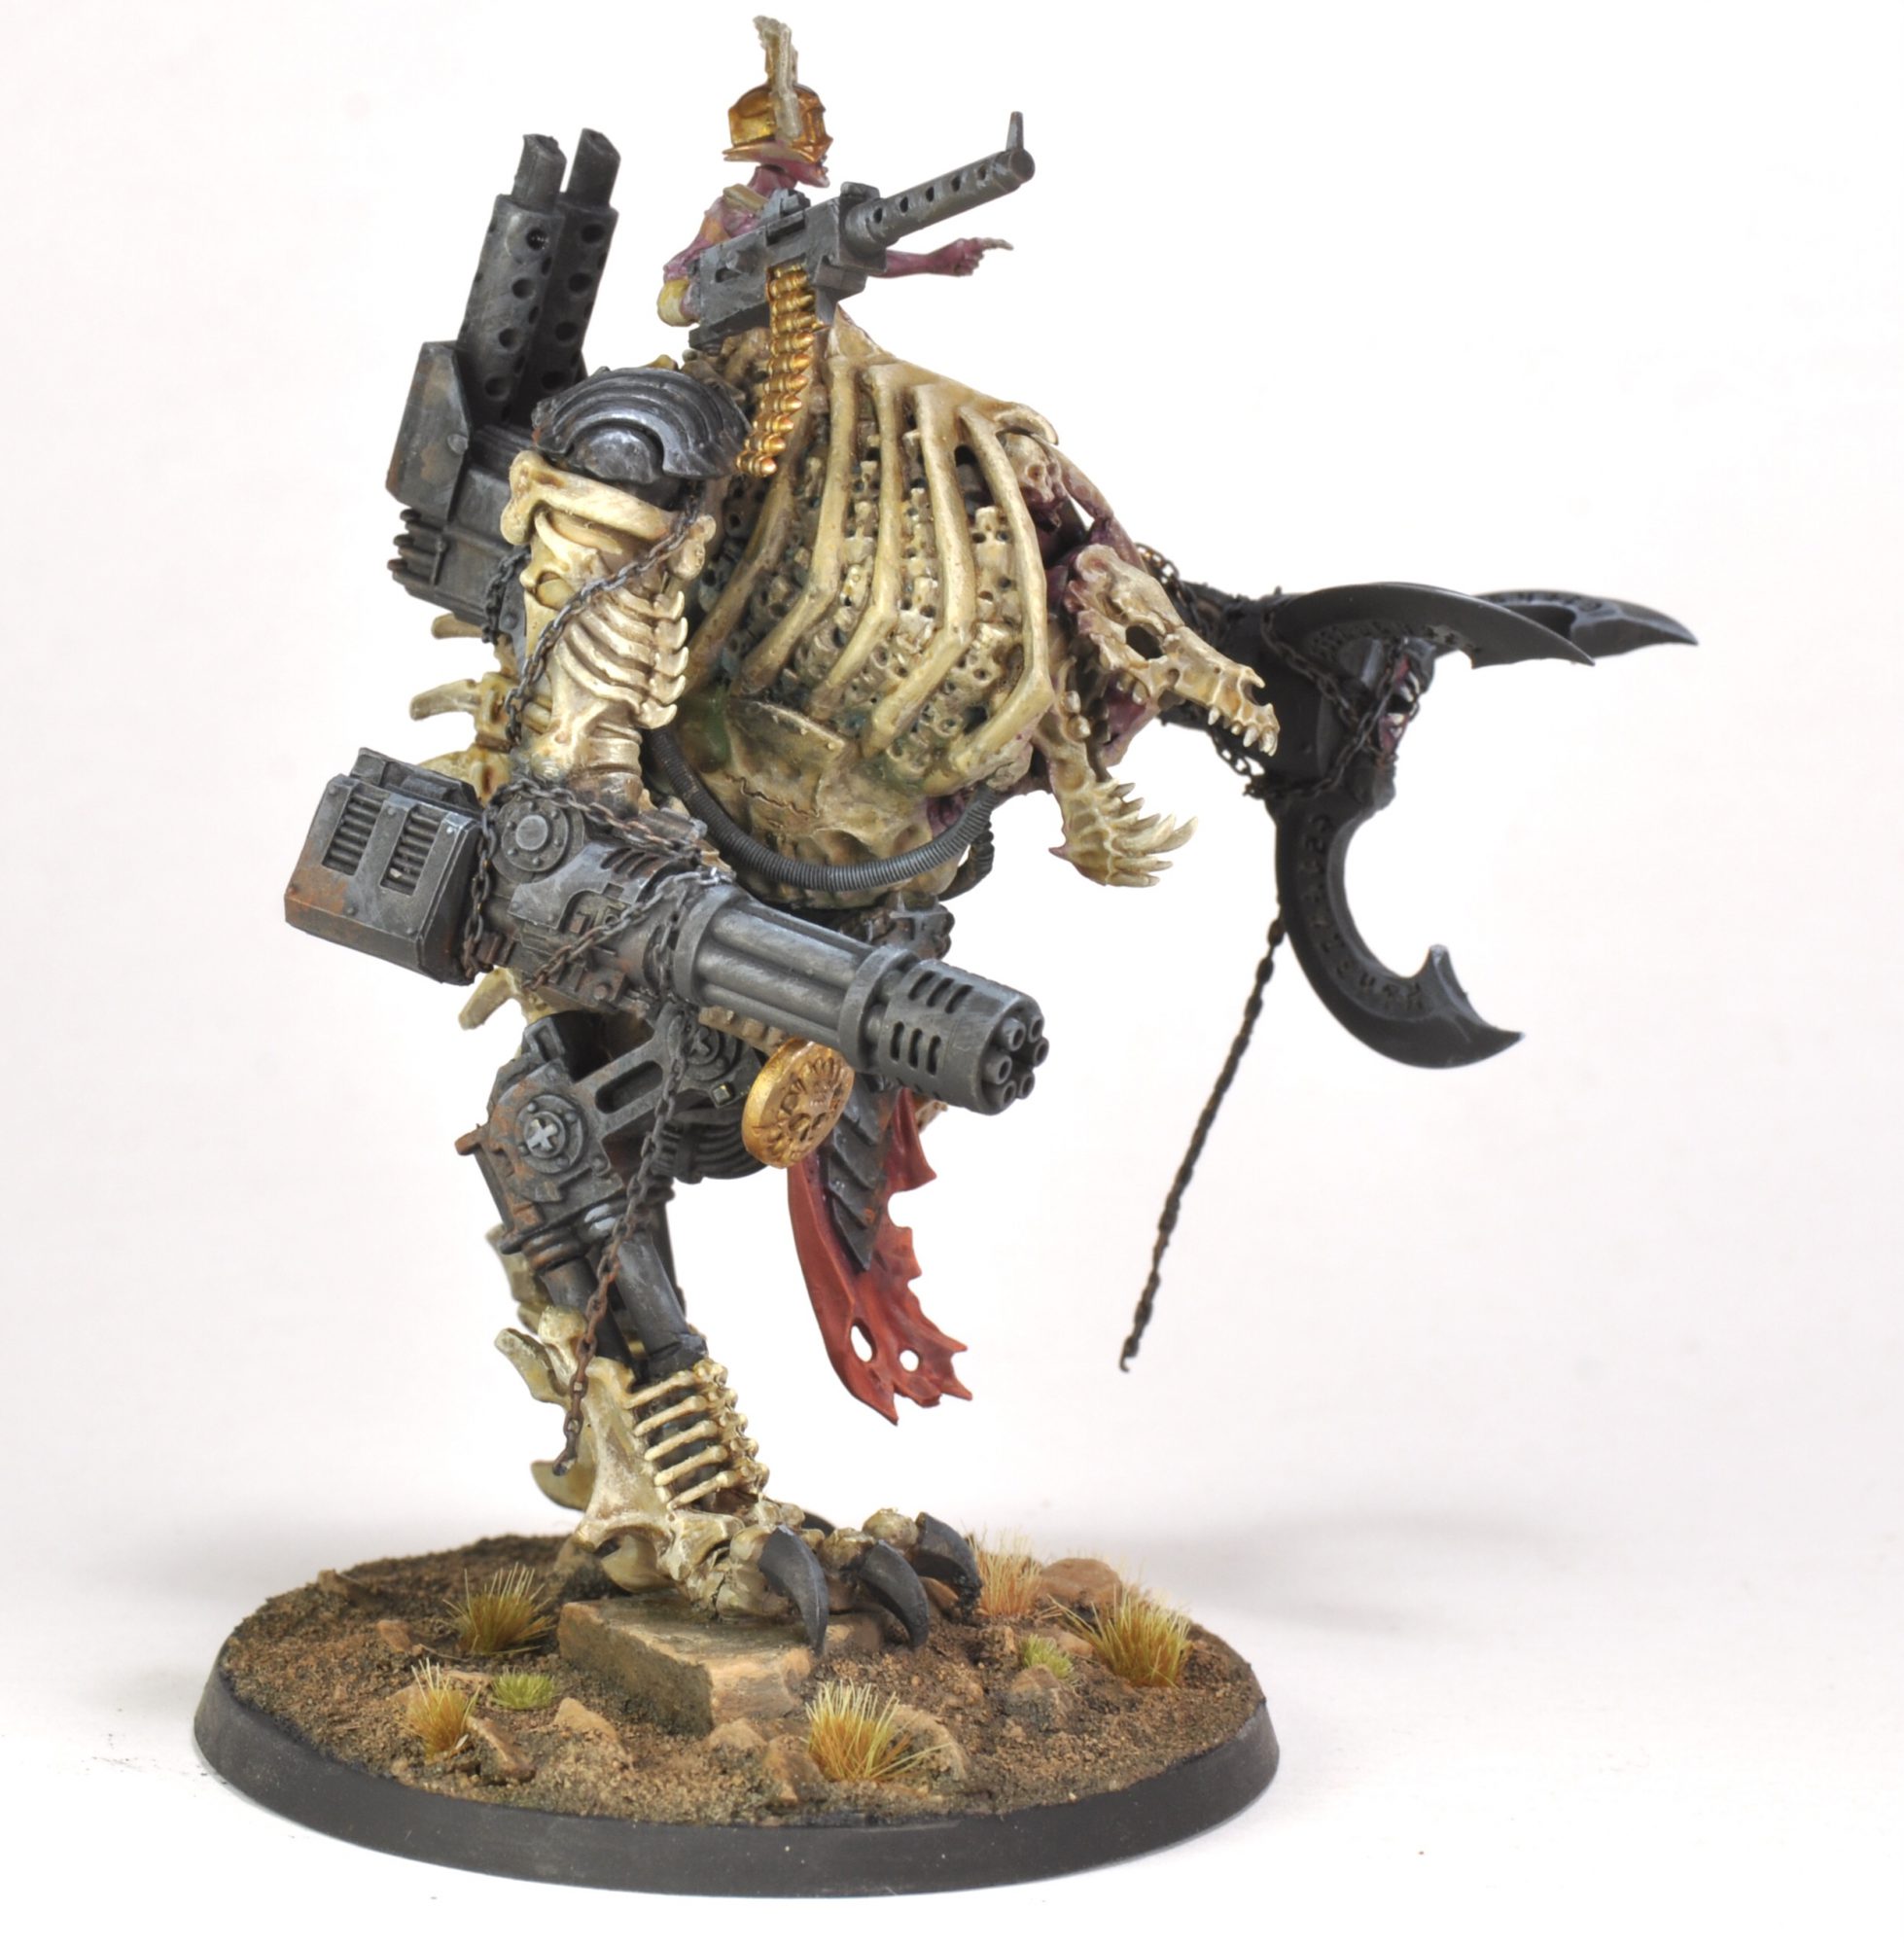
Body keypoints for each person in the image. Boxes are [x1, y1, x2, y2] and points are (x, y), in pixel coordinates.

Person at [656, 17, 1007, 329]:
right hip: (758, 342)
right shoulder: (732, 211)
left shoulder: (800, 219)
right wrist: (706, 298)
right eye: (810, 131)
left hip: (811, 330)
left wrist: (932, 262)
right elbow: (673, 287)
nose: (825, 145)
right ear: (780, 142)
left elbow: (849, 249)